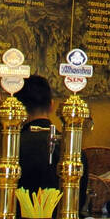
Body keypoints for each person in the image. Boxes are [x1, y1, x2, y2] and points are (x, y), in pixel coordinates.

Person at [17, 75, 87, 211]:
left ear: (20, 108)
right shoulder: (73, 149)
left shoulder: (12, 146)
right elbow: (79, 200)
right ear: (52, 106)